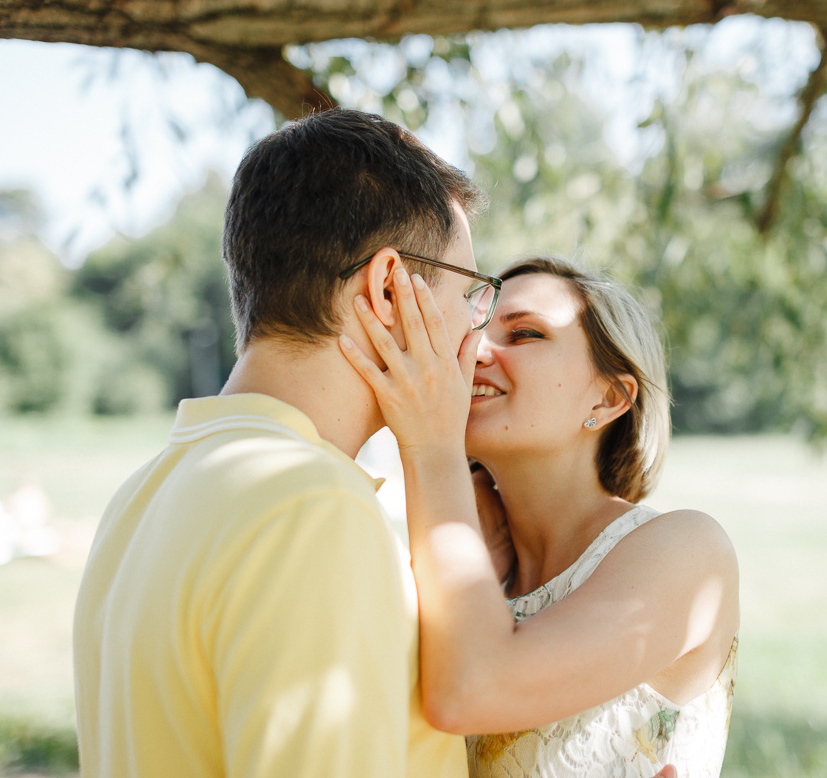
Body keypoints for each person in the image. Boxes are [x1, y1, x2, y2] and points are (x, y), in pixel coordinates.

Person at [72, 108, 495, 778]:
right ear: (389, 290)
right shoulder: (312, 511)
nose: (480, 335)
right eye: (470, 294)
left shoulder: (145, 493)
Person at [340, 257, 740, 776]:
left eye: (524, 333)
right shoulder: (461, 565)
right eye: (476, 328)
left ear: (611, 395)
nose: (476, 350)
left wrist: (432, 448)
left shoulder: (689, 552)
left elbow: (472, 689)